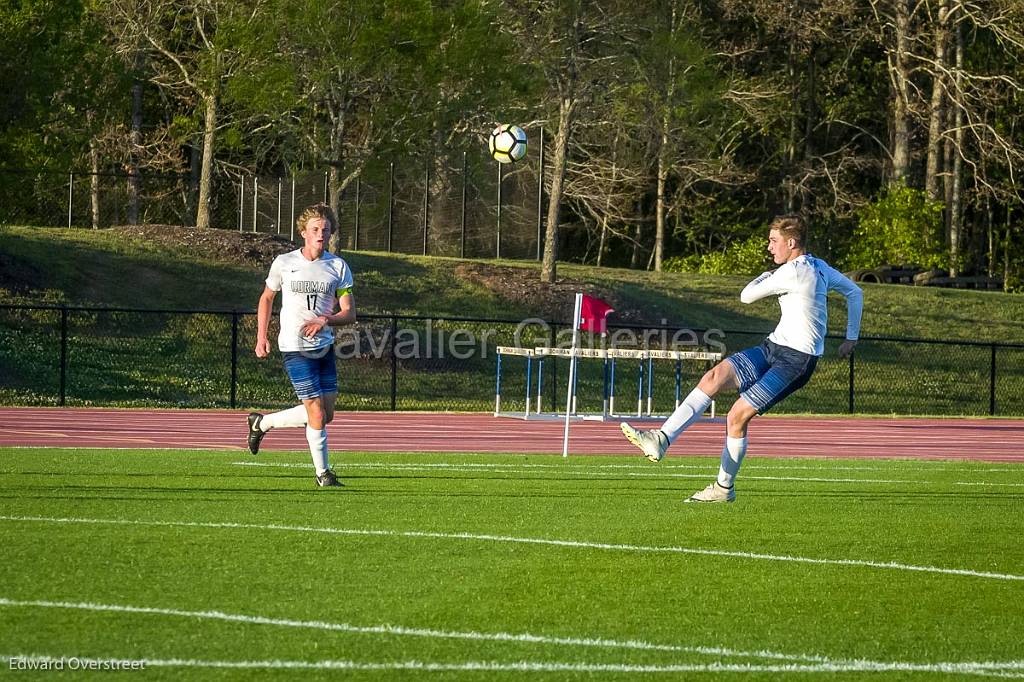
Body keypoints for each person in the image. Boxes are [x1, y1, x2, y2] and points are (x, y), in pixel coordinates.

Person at [620, 215, 863, 502]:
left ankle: (723, 489)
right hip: (773, 347)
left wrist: (764, 276)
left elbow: (746, 296)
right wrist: (851, 337)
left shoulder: (792, 272)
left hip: (796, 361)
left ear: (792, 243)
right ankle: (662, 439)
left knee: (736, 416)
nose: (769, 247)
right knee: (713, 377)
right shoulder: (819, 266)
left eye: (774, 241)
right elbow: (854, 291)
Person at [247, 203, 356, 487]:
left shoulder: (337, 266)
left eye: (326, 230)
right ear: (303, 232)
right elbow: (267, 298)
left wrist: (325, 319)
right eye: (315, 229)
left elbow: (350, 313)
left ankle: (262, 423)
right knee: (316, 412)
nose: (321, 234)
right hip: (294, 347)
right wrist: (262, 336)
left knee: (326, 413)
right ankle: (324, 474)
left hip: (324, 346)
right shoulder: (284, 262)